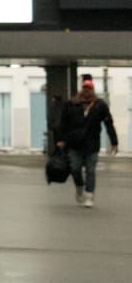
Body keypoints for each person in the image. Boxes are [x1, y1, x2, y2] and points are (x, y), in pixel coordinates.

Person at [54, 75, 119, 208]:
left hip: (91, 144)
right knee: (75, 168)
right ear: (81, 89)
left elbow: (108, 123)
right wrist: (60, 139)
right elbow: (63, 123)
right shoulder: (71, 104)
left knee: (90, 170)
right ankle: (79, 187)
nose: (86, 91)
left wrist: (114, 142)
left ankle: (89, 195)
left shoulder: (100, 105)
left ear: (93, 90)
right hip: (74, 143)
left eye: (89, 88)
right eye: (84, 88)